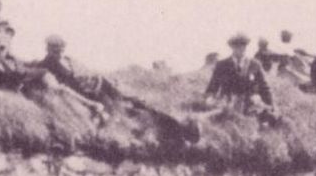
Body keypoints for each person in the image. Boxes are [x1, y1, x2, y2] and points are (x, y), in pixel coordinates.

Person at [36, 35, 199, 147]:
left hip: (100, 88)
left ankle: (181, 129)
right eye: (55, 48)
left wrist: (97, 81)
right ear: (48, 48)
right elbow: (64, 89)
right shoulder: (47, 65)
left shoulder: (69, 60)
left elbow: (85, 72)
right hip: (92, 96)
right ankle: (179, 132)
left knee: (139, 106)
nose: (59, 50)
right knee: (134, 113)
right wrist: (92, 102)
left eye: (61, 47)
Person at [204, 33, 277, 120]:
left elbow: (264, 88)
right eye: (237, 46)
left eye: (243, 45)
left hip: (250, 106)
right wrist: (209, 100)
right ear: (232, 47)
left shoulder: (255, 64)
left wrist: (271, 106)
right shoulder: (222, 65)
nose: (241, 48)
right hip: (227, 105)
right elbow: (212, 88)